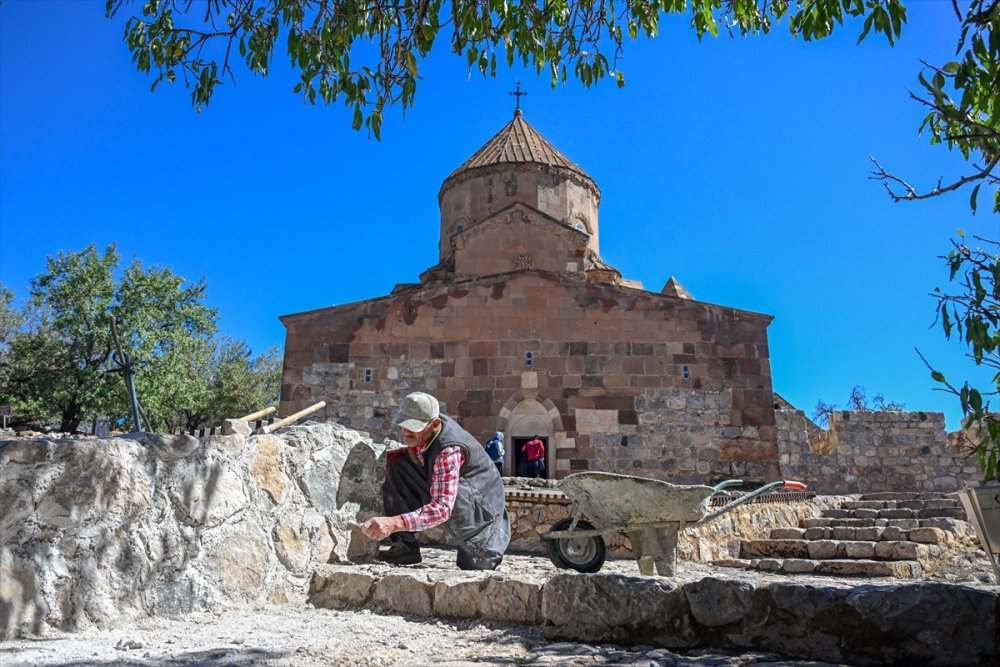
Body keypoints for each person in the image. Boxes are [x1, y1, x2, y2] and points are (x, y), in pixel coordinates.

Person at [361, 392, 511, 570]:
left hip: (482, 509)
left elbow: (442, 507)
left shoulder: (448, 450)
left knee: (475, 565)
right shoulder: (426, 432)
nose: (405, 431)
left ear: (435, 425)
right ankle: (406, 546)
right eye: (404, 424)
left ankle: (482, 550)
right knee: (397, 461)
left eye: (413, 426)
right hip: (461, 494)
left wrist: (395, 523)